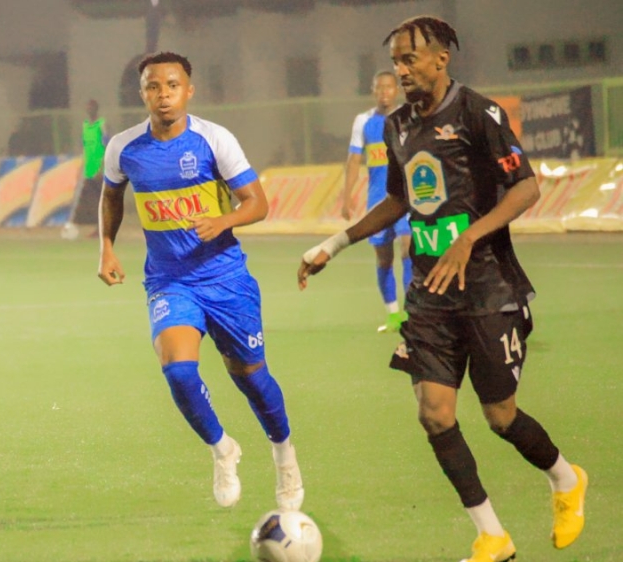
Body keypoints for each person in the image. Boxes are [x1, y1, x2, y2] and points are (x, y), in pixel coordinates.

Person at [298, 16, 587, 562]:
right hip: (429, 294)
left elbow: (526, 185)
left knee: (501, 417)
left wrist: (470, 237)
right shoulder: (396, 126)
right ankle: (491, 535)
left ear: (440, 60)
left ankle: (566, 479)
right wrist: (332, 245)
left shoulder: (479, 113)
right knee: (434, 413)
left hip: (487, 288)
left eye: (410, 59)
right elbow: (399, 200)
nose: (400, 70)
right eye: (395, 61)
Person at [98, 51, 304, 512]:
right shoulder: (124, 148)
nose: (163, 95)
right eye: (153, 87)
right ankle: (222, 448)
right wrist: (107, 247)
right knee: (178, 370)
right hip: (170, 281)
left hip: (226, 278)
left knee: (252, 379)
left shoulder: (214, 140)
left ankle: (284, 455)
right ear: (142, 93)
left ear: (188, 90)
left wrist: (224, 220)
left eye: (172, 85)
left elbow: (259, 202)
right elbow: (111, 196)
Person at [339, 70, 413, 333]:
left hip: (404, 199)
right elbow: (354, 160)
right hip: (377, 200)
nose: (384, 92)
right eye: (379, 88)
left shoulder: (409, 115)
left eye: (389, 87)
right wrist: (346, 197)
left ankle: (411, 313)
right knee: (383, 259)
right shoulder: (364, 122)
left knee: (408, 249)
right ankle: (393, 315)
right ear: (374, 91)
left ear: (397, 90)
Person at [67, 99, 108, 239]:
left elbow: (107, 144)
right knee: (91, 202)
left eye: (91, 108)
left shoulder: (101, 125)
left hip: (99, 170)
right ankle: (95, 229)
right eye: (87, 108)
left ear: (96, 109)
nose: (89, 110)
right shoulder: (85, 125)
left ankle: (102, 229)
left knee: (101, 201)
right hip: (88, 170)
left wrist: (103, 165)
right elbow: (83, 145)